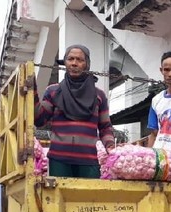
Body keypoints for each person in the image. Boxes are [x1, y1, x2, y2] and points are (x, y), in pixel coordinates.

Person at [35, 44, 115, 178]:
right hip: (59, 161)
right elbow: (40, 119)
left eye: (79, 60)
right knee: (59, 198)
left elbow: (105, 127)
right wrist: (32, 94)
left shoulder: (99, 95)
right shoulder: (53, 91)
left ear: (86, 64)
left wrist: (111, 147)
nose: (74, 63)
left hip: (88, 162)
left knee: (88, 199)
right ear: (65, 62)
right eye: (70, 59)